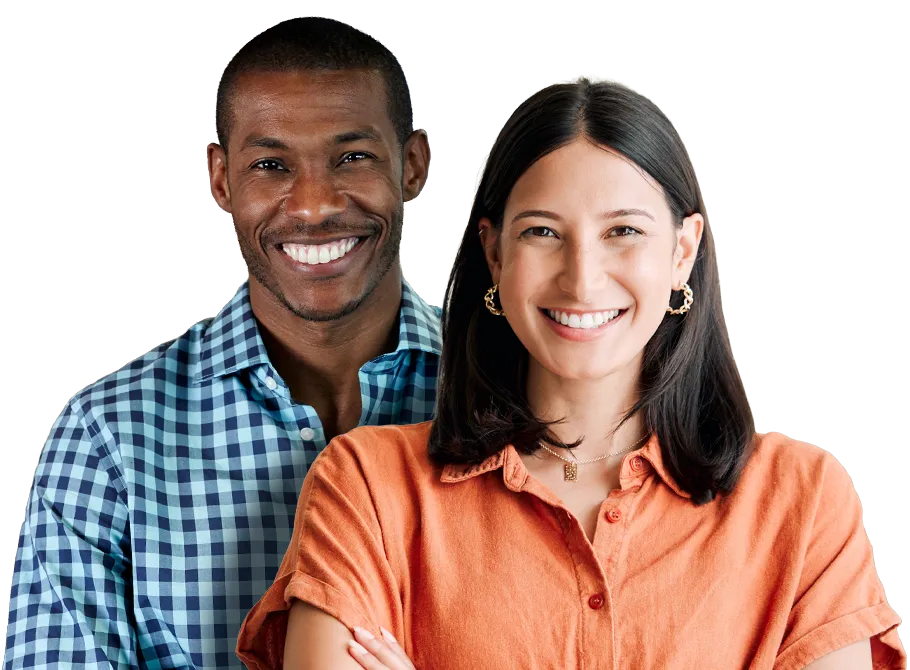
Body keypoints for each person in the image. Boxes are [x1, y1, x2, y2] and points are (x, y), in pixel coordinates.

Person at [235, 75, 906, 670]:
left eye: (623, 232)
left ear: (683, 250)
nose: (582, 279)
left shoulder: (804, 501)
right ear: (495, 255)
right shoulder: (367, 490)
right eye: (543, 233)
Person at [3, 17, 437, 669]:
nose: (314, 205)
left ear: (411, 167)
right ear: (221, 180)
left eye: (352, 157)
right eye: (271, 164)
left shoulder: (526, 400)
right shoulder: (109, 441)